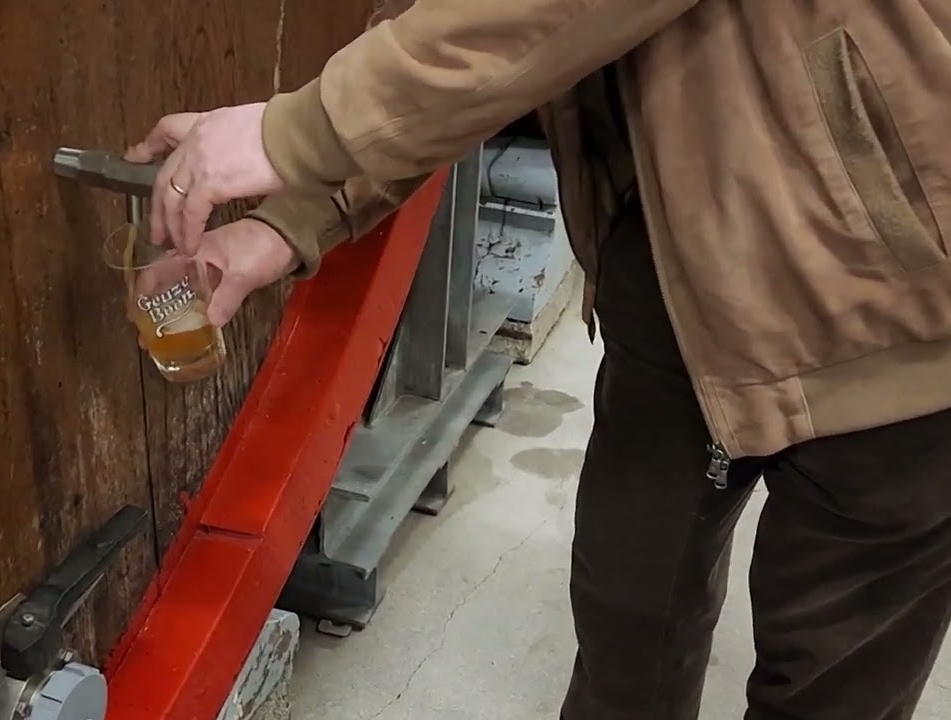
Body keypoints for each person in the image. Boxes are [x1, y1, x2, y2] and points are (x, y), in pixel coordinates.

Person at [126, 1, 951, 717]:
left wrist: (302, 131)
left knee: (836, 681)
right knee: (626, 631)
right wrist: (290, 217)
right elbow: (466, 31)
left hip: (891, 301)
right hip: (666, 284)